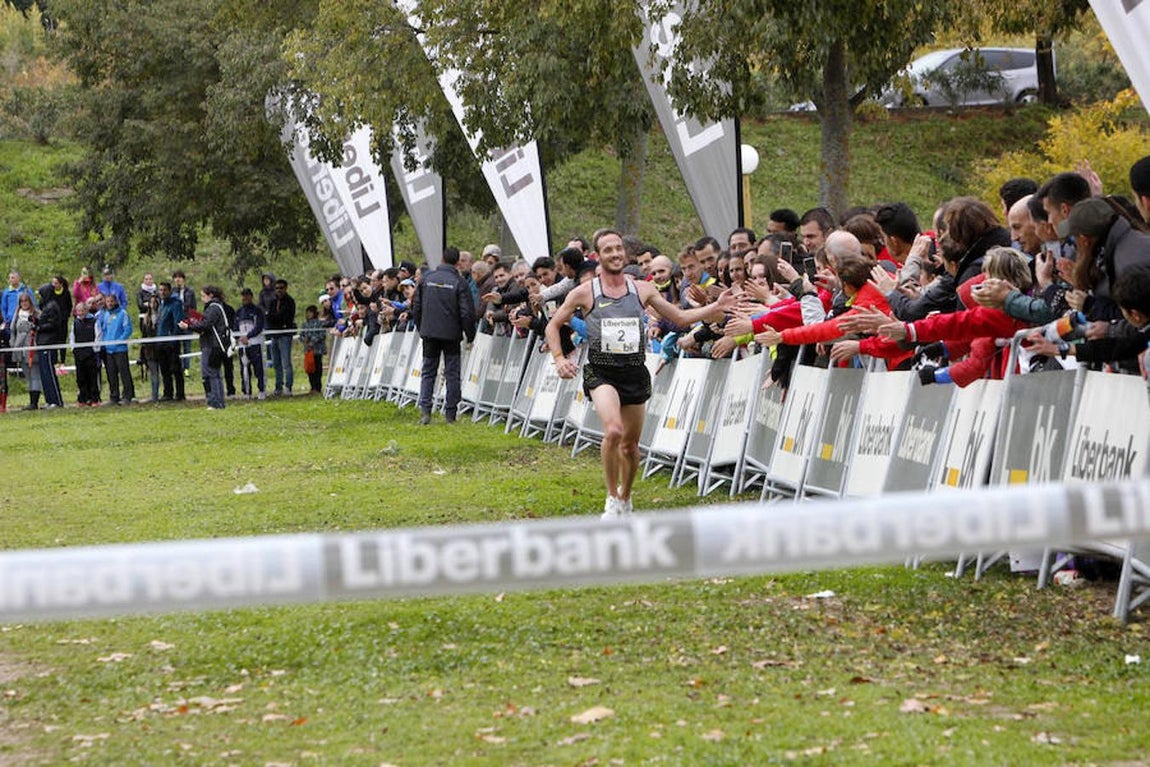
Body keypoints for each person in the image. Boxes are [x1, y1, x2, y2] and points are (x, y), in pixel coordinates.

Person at [545, 230, 735, 518]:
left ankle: (625, 496)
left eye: (618, 248)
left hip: (634, 371)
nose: (615, 254)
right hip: (601, 371)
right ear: (599, 256)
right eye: (607, 250)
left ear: (625, 253)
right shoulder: (585, 292)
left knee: (630, 447)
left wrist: (716, 306)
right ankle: (611, 498)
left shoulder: (642, 290)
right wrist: (559, 359)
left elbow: (680, 317)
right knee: (613, 431)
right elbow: (553, 325)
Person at [412, 247, 476, 424]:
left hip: (429, 333)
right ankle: (450, 413)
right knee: (452, 373)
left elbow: (416, 306)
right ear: (457, 263)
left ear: (442, 259)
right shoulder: (460, 282)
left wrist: (421, 328)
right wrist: (470, 334)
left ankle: (425, 411)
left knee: (428, 371)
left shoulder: (426, 279)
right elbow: (467, 312)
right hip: (451, 334)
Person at [179, 285, 230, 410]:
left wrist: (189, 326)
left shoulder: (213, 308)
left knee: (209, 374)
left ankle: (214, 402)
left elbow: (206, 325)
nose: (201, 299)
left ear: (210, 295)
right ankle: (219, 402)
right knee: (216, 374)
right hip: (216, 345)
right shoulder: (218, 307)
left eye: (203, 296)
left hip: (211, 345)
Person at [96, 292, 135, 405]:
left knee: (124, 373)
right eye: (108, 301)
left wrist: (119, 341)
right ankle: (114, 396)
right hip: (109, 350)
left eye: (111, 301)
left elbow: (128, 329)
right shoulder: (106, 315)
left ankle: (128, 396)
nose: (110, 303)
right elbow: (104, 330)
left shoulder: (123, 314)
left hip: (120, 350)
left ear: (116, 301)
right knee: (111, 374)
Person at [10, 292, 43, 410]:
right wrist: (13, 345)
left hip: (33, 347)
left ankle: (34, 402)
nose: (24, 303)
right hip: (20, 348)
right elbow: (13, 330)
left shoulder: (37, 314)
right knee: (28, 375)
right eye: (22, 301)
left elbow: (41, 329)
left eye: (26, 301)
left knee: (35, 374)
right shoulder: (17, 315)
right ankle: (31, 400)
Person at [265, 278, 297, 395]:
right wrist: (274, 318)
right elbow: (269, 317)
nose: (279, 290)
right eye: (277, 288)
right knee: (276, 363)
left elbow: (285, 317)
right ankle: (278, 387)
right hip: (274, 335)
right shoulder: (273, 302)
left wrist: (275, 317)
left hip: (285, 335)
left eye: (281, 288)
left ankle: (288, 386)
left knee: (286, 362)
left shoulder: (290, 302)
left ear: (286, 288)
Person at [155, 281, 185, 401]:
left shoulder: (176, 304)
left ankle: (180, 393)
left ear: (169, 291)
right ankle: (168, 393)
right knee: (164, 369)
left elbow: (178, 322)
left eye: (164, 290)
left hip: (171, 342)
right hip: (160, 341)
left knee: (175, 368)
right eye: (160, 290)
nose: (162, 292)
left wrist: (174, 338)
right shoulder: (161, 305)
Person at [236, 287, 267, 399]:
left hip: (255, 343)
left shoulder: (257, 311)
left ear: (251, 296)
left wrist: (248, 336)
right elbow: (235, 327)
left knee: (258, 368)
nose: (245, 298)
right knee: (244, 369)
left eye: (247, 295)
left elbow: (258, 327)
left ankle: (262, 390)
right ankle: (246, 391)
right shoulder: (239, 312)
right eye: (243, 295)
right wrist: (239, 338)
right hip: (242, 345)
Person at [72, 298, 102, 406]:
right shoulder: (75, 323)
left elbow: (98, 335)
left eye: (82, 310)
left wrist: (95, 349)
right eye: (78, 311)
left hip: (90, 353)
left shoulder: (94, 321)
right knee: (81, 378)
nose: (80, 313)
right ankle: (83, 399)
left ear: (86, 310)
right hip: (79, 354)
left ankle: (94, 399)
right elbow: (72, 337)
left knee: (92, 377)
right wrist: (74, 349)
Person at [300, 304, 328, 394]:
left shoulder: (319, 323)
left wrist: (313, 341)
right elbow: (301, 335)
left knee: (317, 368)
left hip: (317, 350)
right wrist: (304, 340)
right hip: (308, 351)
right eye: (307, 313)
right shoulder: (305, 325)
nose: (308, 315)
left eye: (310, 313)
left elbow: (322, 334)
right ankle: (312, 386)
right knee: (310, 369)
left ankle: (318, 387)